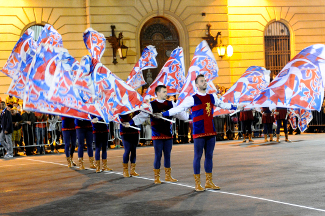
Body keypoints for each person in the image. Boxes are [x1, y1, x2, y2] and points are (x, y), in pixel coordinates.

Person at [161, 75, 239, 191]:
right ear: (197, 85)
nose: (204, 82)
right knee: (197, 156)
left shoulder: (212, 97)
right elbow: (179, 108)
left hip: (210, 131)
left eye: (205, 81)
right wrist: (164, 114)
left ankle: (209, 182)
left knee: (209, 156)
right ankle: (197, 183)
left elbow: (223, 105)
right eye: (202, 81)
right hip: (199, 131)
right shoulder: (192, 98)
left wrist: (236, 106)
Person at [125, 85, 189, 184]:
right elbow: (141, 116)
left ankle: (168, 176)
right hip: (157, 134)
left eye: (166, 91)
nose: (166, 93)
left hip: (168, 134)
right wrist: (130, 123)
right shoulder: (151, 105)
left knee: (167, 155)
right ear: (157, 93)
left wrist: (187, 115)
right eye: (164, 92)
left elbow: (179, 113)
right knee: (158, 155)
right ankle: (156, 177)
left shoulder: (171, 103)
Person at [119, 111, 140, 177]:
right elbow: (118, 116)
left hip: (134, 130)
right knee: (127, 150)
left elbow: (139, 117)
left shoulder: (136, 108)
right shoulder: (122, 107)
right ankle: (125, 171)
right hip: (125, 130)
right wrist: (122, 122)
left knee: (134, 150)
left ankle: (132, 170)